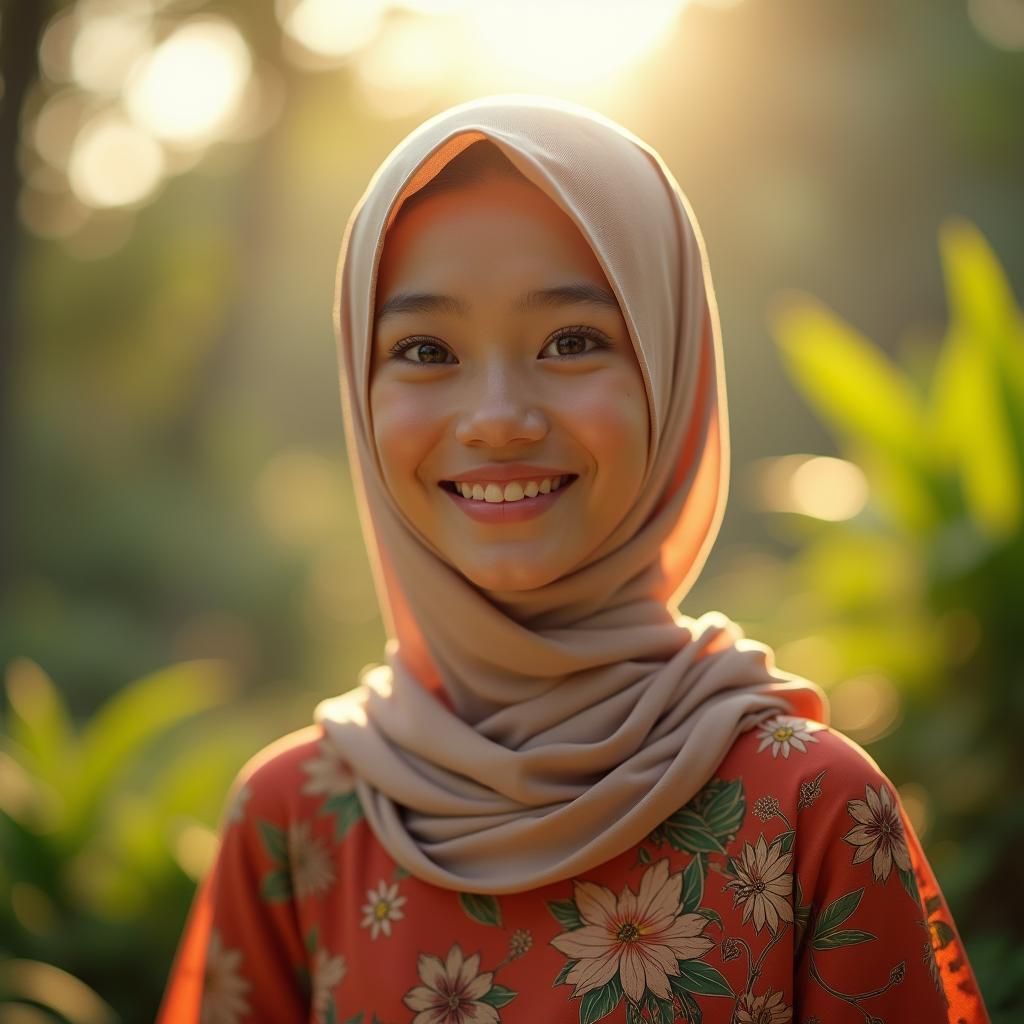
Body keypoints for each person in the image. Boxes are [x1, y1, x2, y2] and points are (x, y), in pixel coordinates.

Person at [156, 95, 990, 1024]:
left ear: (670, 372)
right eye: (427, 349)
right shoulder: (294, 823)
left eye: (573, 341)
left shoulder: (810, 811)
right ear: (360, 388)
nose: (499, 417)